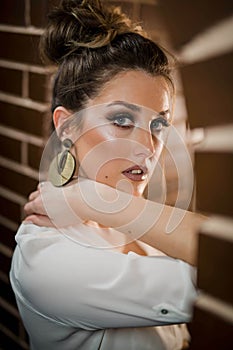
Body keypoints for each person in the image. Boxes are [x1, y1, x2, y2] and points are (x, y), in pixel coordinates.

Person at [10, 1, 206, 349]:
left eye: (158, 124)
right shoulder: (48, 259)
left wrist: (95, 202)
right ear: (66, 126)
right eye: (121, 120)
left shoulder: (142, 225)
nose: (148, 146)